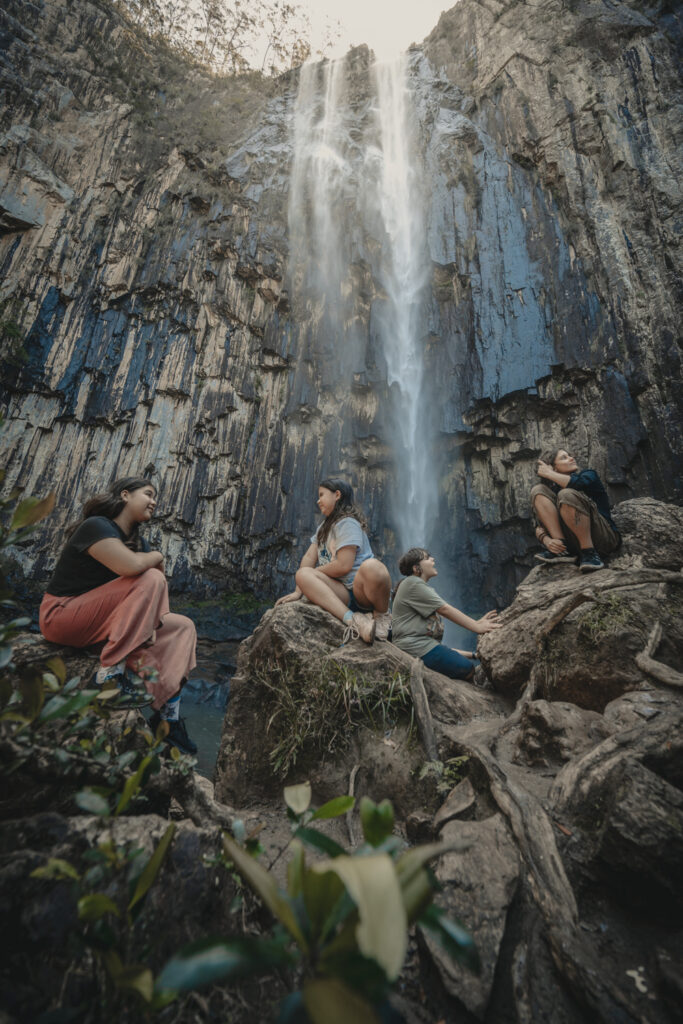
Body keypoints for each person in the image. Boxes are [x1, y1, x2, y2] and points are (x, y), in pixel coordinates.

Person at [39, 476, 198, 754]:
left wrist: (151, 563)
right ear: (125, 495)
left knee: (183, 627)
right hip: (61, 616)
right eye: (148, 494)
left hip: (103, 625)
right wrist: (158, 557)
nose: (154, 501)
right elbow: (133, 568)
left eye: (155, 496)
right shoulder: (96, 527)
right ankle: (108, 676)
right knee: (148, 577)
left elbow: (156, 602)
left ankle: (167, 719)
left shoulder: (139, 543)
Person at [275, 478, 392, 643]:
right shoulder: (323, 528)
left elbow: (344, 566)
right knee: (303, 574)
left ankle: (380, 616)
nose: (318, 500)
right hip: (340, 593)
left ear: (337, 495)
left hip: (362, 591)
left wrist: (313, 574)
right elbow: (309, 557)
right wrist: (298, 590)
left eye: (322, 495)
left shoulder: (348, 523)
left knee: (374, 567)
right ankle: (354, 621)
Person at [391, 548, 501, 680]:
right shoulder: (413, 583)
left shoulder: (415, 586)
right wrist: (476, 626)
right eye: (427, 558)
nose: (433, 560)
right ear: (416, 568)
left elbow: (436, 647)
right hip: (413, 649)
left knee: (466, 666)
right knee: (467, 669)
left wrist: (474, 655)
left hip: (418, 647)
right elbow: (445, 609)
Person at [531, 448, 621, 572]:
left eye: (569, 456)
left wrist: (549, 474)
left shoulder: (589, 475)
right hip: (573, 544)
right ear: (553, 467)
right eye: (564, 457)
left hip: (603, 538)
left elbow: (576, 484)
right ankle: (562, 549)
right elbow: (539, 526)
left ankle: (589, 553)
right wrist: (547, 541)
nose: (571, 458)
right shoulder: (550, 493)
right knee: (538, 490)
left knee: (566, 494)